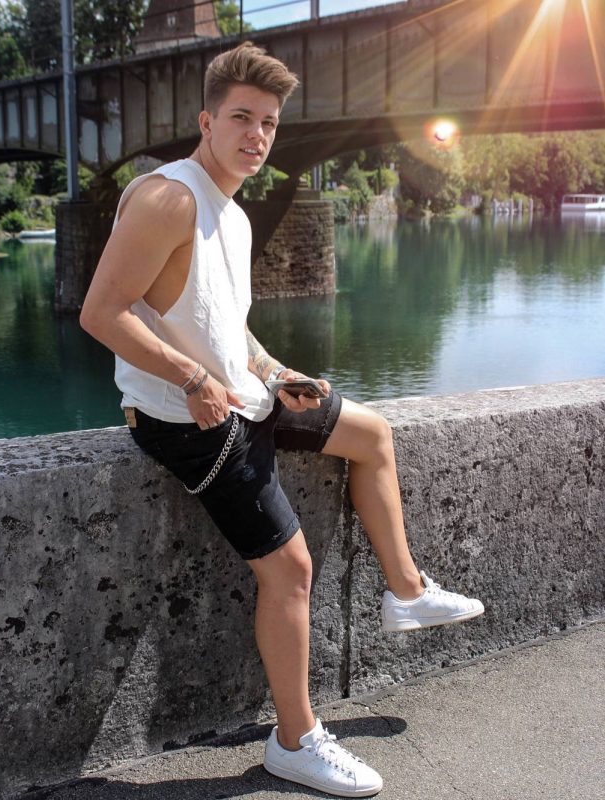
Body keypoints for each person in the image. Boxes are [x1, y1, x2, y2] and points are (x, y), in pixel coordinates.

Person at [80, 41, 484, 799]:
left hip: (241, 393)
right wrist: (192, 377)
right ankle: (294, 741)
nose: (256, 136)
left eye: (267, 123)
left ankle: (404, 590)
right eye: (240, 118)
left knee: (371, 434)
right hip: (182, 417)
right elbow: (102, 312)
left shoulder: (229, 213)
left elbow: (225, 324)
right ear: (206, 120)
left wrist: (276, 373)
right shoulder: (166, 196)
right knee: (290, 570)